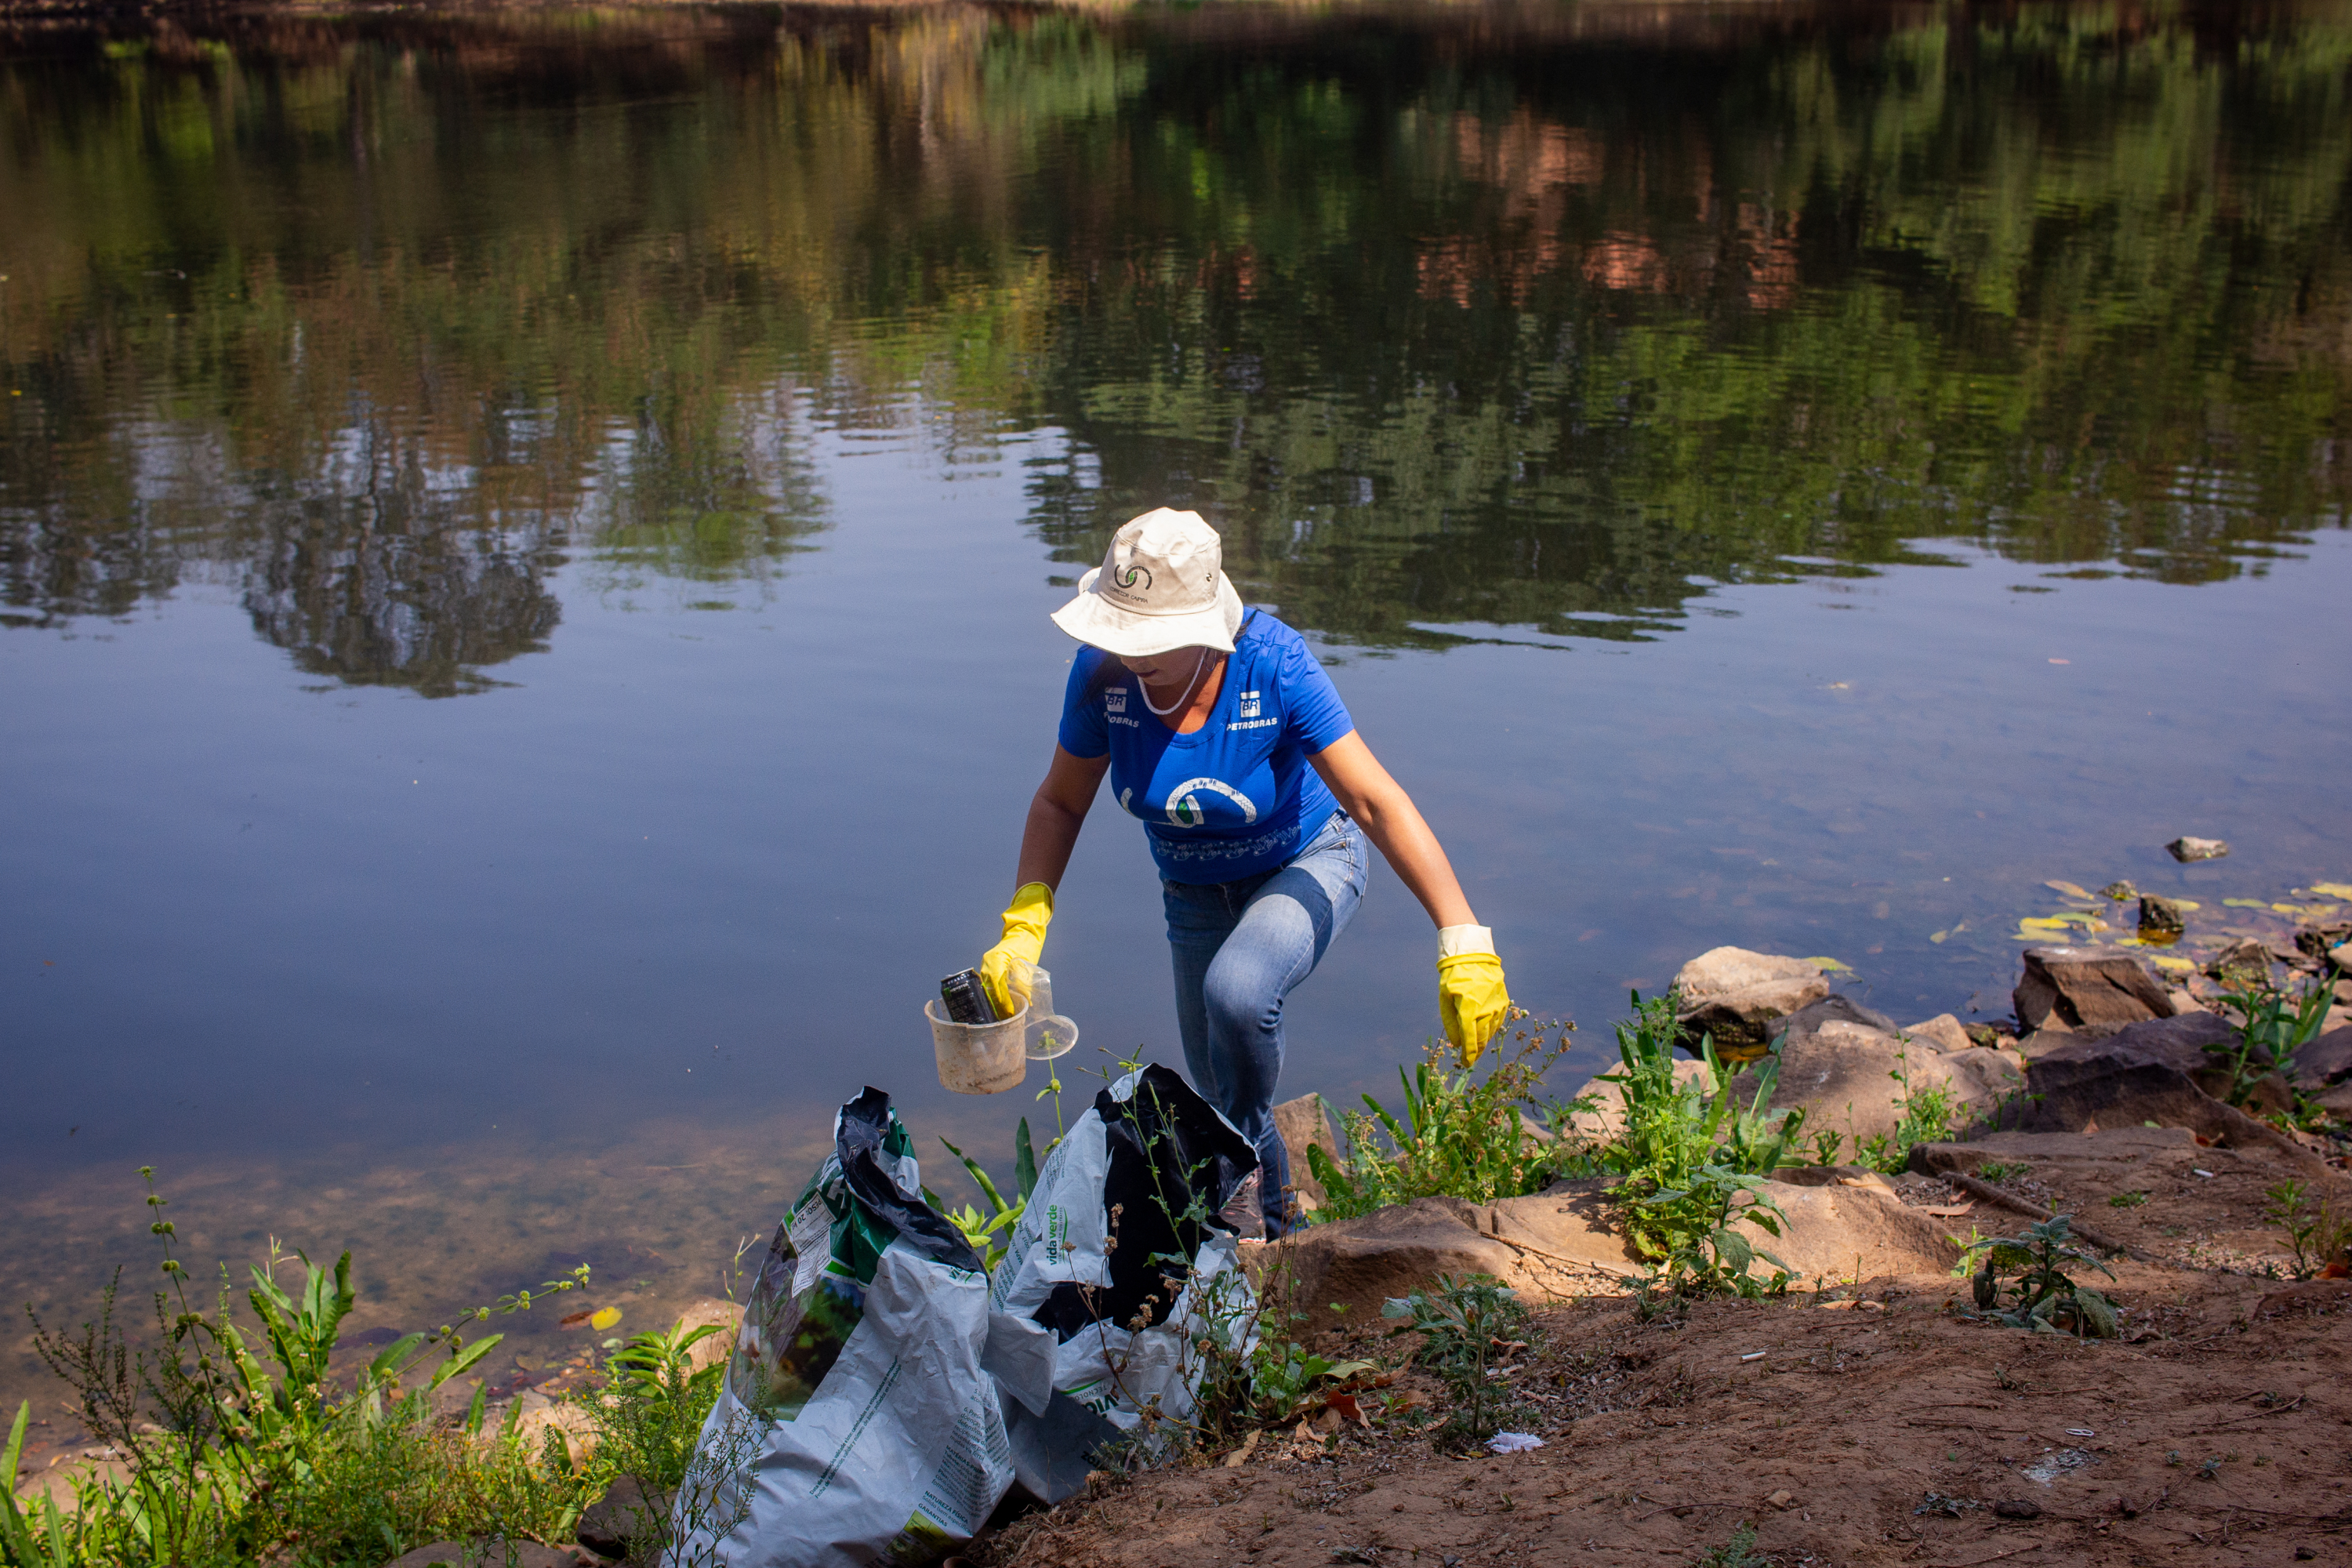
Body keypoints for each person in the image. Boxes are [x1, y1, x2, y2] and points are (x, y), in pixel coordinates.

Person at [975, 508, 1511, 1236]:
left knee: (1238, 992)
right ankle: (1276, 1237)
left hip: (1310, 858)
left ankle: (1252, 1217)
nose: (1127, 651)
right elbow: (1059, 803)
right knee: (1219, 1092)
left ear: (1201, 624)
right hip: (1192, 891)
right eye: (1119, 629)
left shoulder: (1273, 662)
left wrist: (1463, 937)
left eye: (1146, 638)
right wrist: (1024, 926)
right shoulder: (1102, 675)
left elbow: (1374, 801)